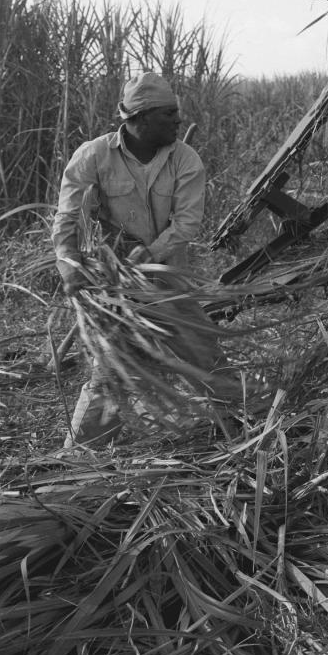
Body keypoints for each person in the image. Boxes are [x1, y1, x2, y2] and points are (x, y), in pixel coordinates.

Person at [52, 71, 212, 446]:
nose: (178, 120)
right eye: (168, 114)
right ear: (138, 119)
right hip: (115, 286)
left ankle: (237, 427)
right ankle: (82, 455)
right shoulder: (94, 155)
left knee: (204, 355)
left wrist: (149, 255)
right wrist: (69, 264)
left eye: (177, 112)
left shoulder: (185, 160)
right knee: (111, 371)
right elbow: (68, 216)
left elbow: (187, 224)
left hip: (168, 278)